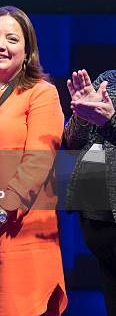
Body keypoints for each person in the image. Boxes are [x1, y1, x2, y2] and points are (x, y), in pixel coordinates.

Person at [0, 6, 67, 315]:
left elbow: (38, 163)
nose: (0, 45)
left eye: (11, 38)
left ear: (27, 50)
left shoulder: (40, 93)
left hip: (20, 237)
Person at [63, 68, 116, 313]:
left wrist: (110, 121)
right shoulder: (109, 79)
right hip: (98, 217)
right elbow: (72, 142)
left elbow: (108, 126)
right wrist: (83, 115)